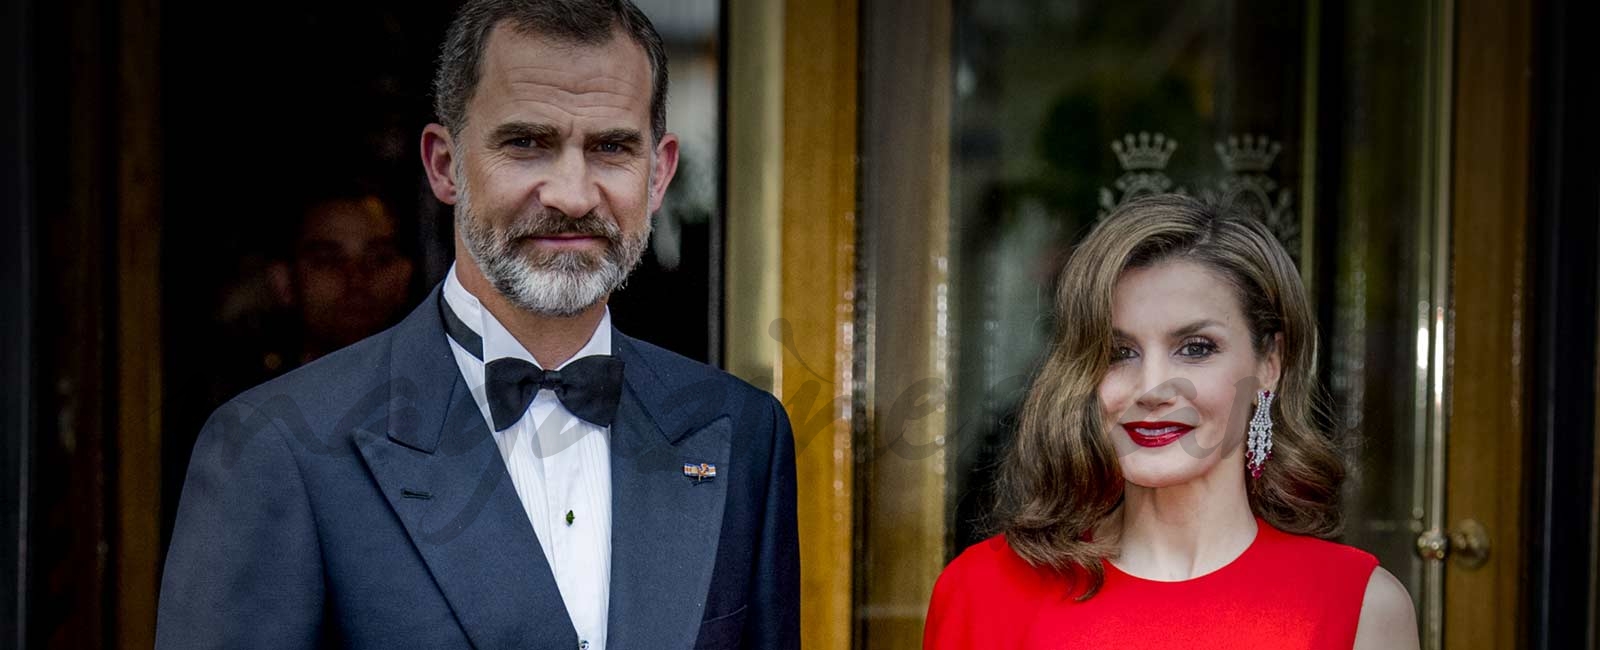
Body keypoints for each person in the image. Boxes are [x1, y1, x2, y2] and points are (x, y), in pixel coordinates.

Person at [156, 1, 799, 648]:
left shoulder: (742, 433)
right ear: (444, 165)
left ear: (658, 174)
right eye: (526, 144)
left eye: (610, 148)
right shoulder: (276, 446)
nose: (572, 195)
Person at [924, 194, 1418, 649]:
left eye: (1196, 348)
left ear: (1270, 362)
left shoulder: (1360, 607)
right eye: (1119, 353)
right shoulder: (983, 591)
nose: (1152, 389)